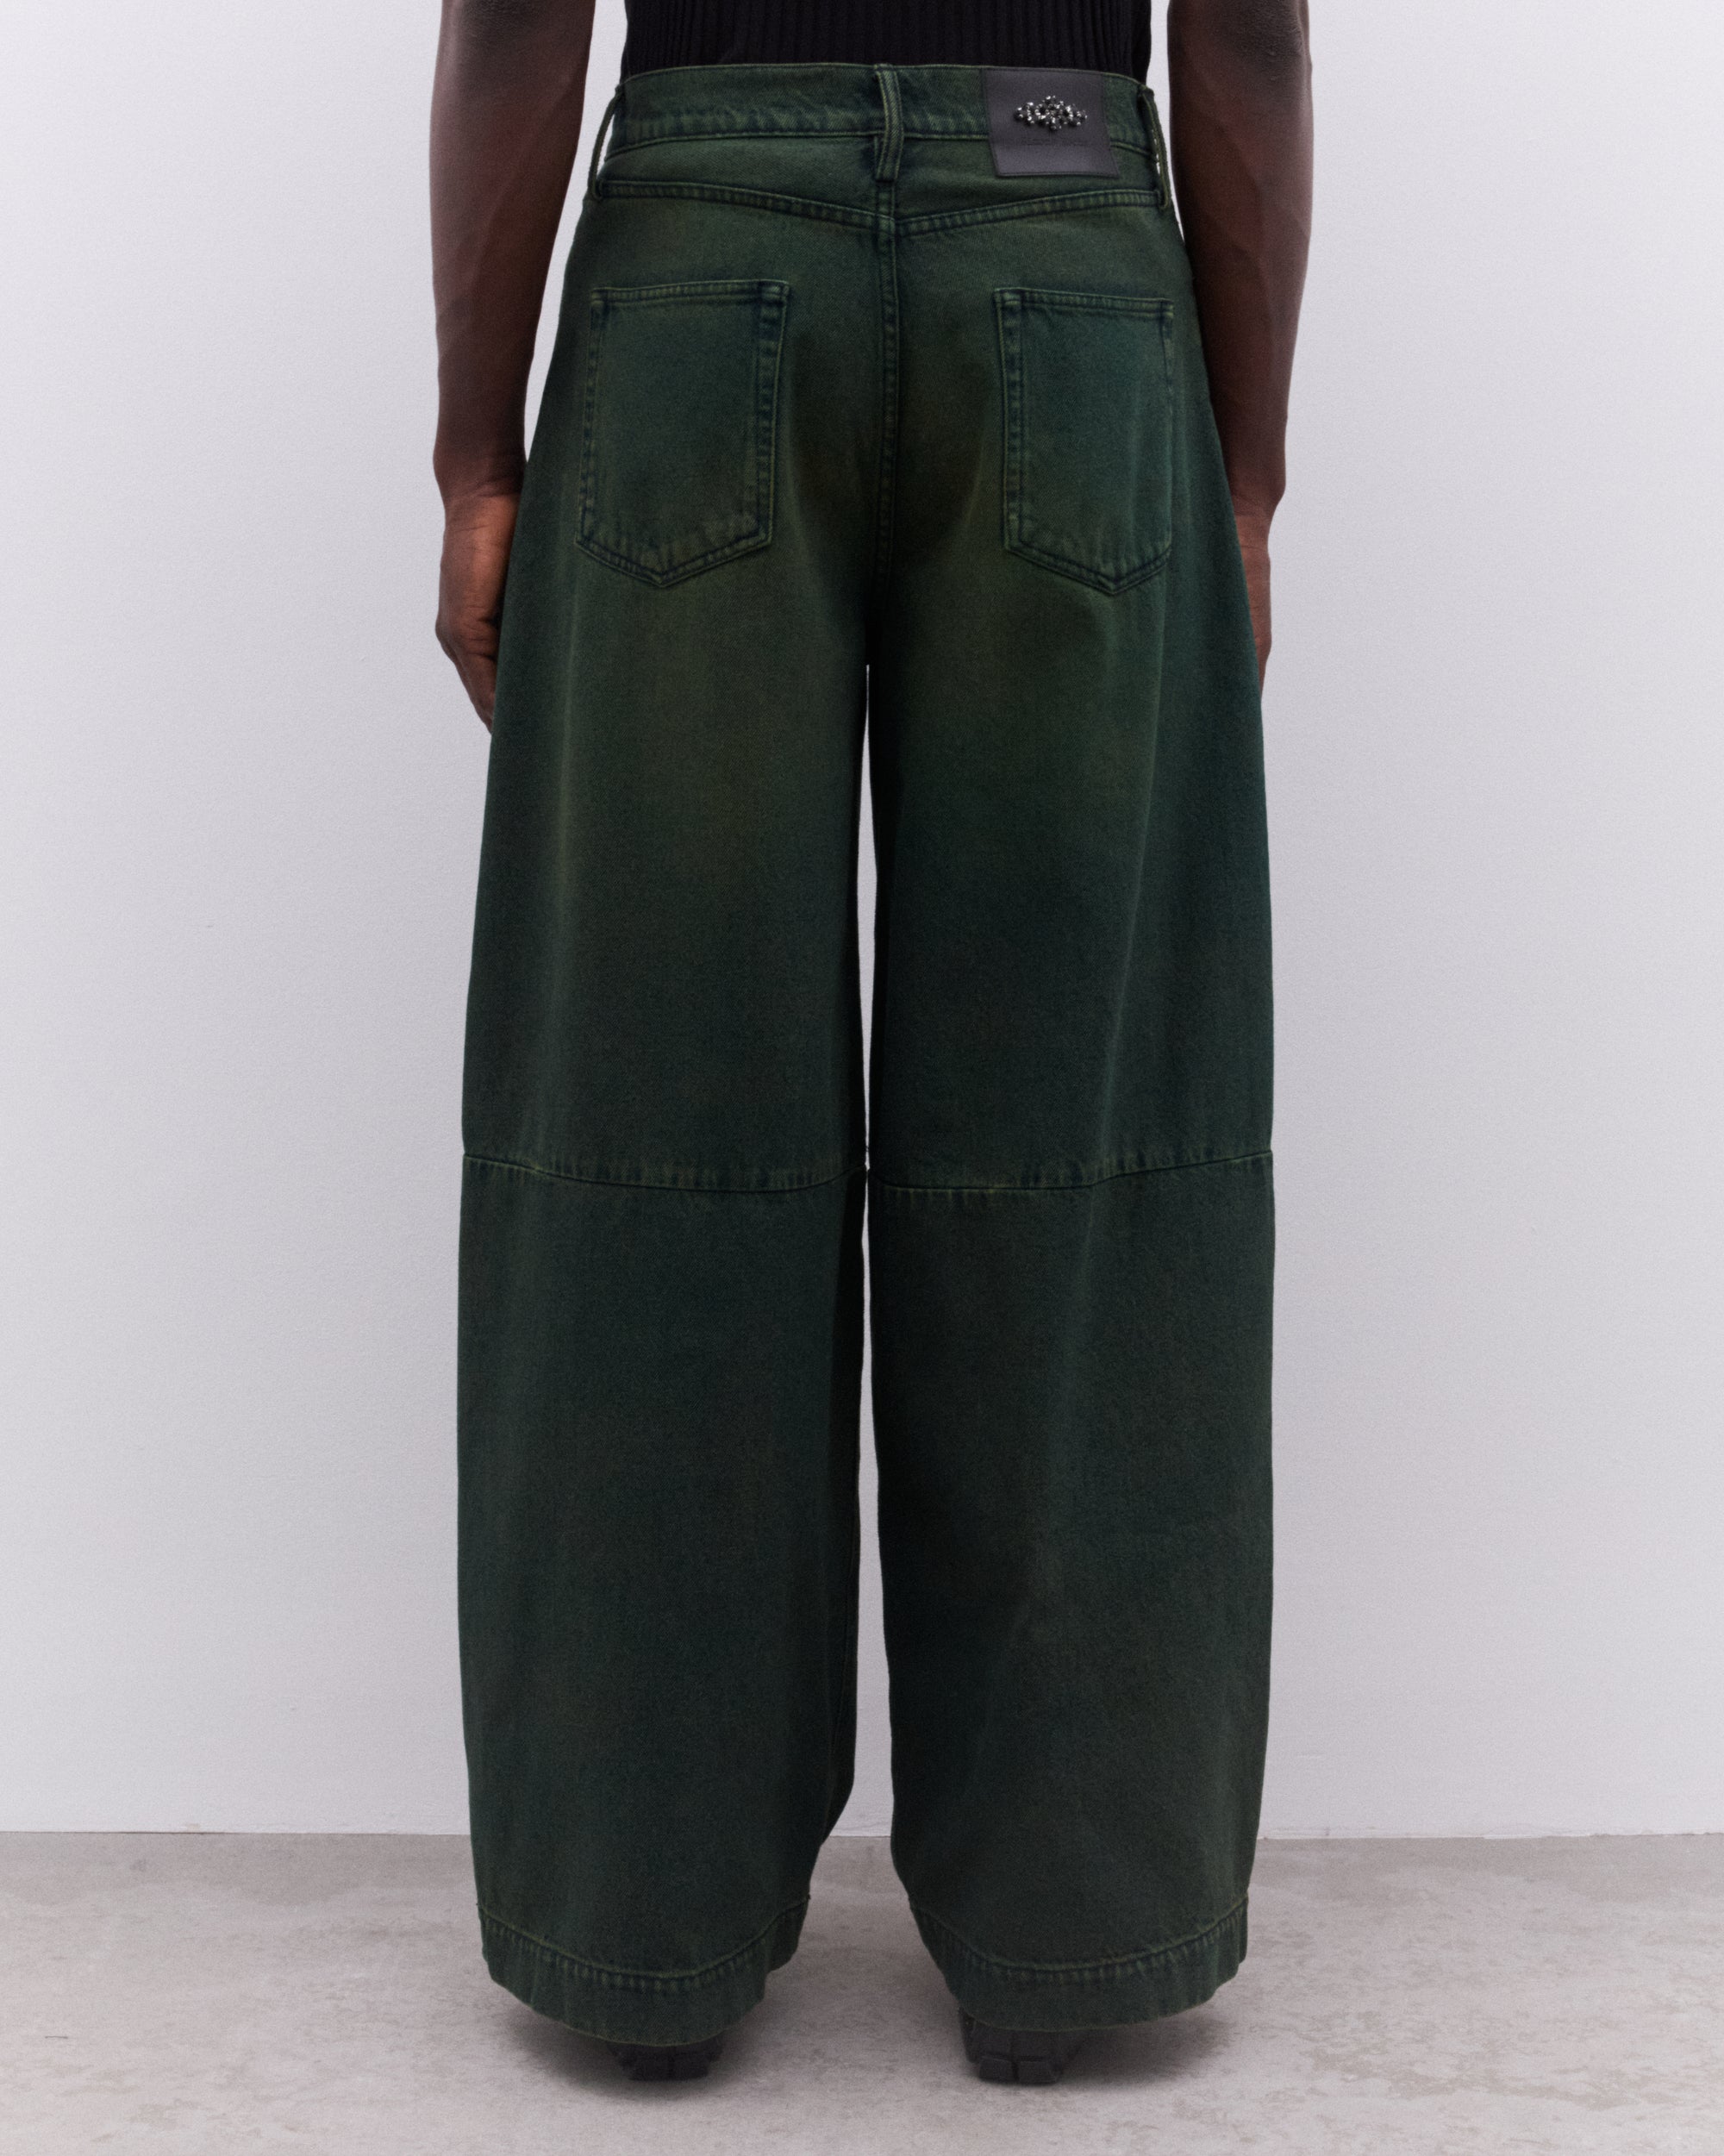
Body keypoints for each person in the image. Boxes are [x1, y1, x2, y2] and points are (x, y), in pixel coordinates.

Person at [431, 0, 1312, 2088]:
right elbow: (1254, 34)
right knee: (1086, 1140)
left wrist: (475, 456)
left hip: (696, 263)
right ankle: (1071, 1937)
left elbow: (513, 19)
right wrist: (1245, 470)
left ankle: (639, 1925)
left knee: (648, 1125)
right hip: (1073, 262)